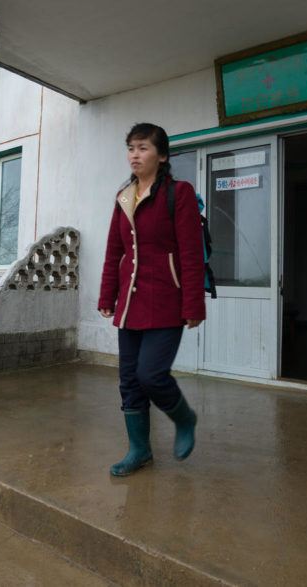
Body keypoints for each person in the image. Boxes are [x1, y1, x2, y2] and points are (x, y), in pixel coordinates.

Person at [98, 122, 206, 477]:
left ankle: (184, 418)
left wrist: (193, 304)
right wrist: (106, 296)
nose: (135, 154)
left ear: (162, 156)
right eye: (131, 148)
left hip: (166, 300)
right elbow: (115, 251)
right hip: (129, 303)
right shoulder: (123, 197)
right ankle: (139, 451)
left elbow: (190, 253)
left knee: (151, 374)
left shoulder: (180, 193)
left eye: (143, 148)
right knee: (129, 380)